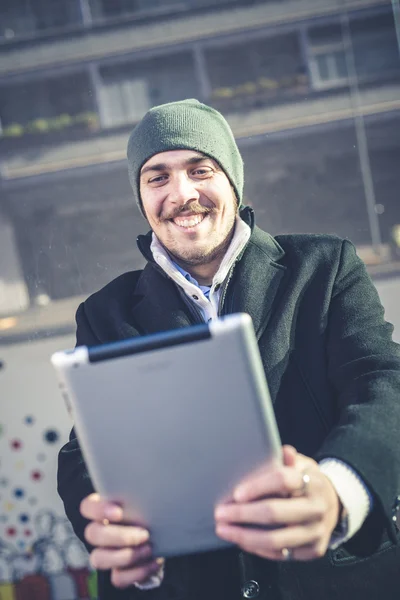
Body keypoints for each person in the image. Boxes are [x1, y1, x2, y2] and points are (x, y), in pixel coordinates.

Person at [57, 99, 400, 600]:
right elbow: (86, 449)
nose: (182, 193)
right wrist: (112, 528)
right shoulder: (105, 313)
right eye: (157, 178)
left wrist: (336, 489)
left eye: (201, 170)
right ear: (141, 197)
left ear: (233, 183)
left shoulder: (324, 268)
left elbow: (382, 382)